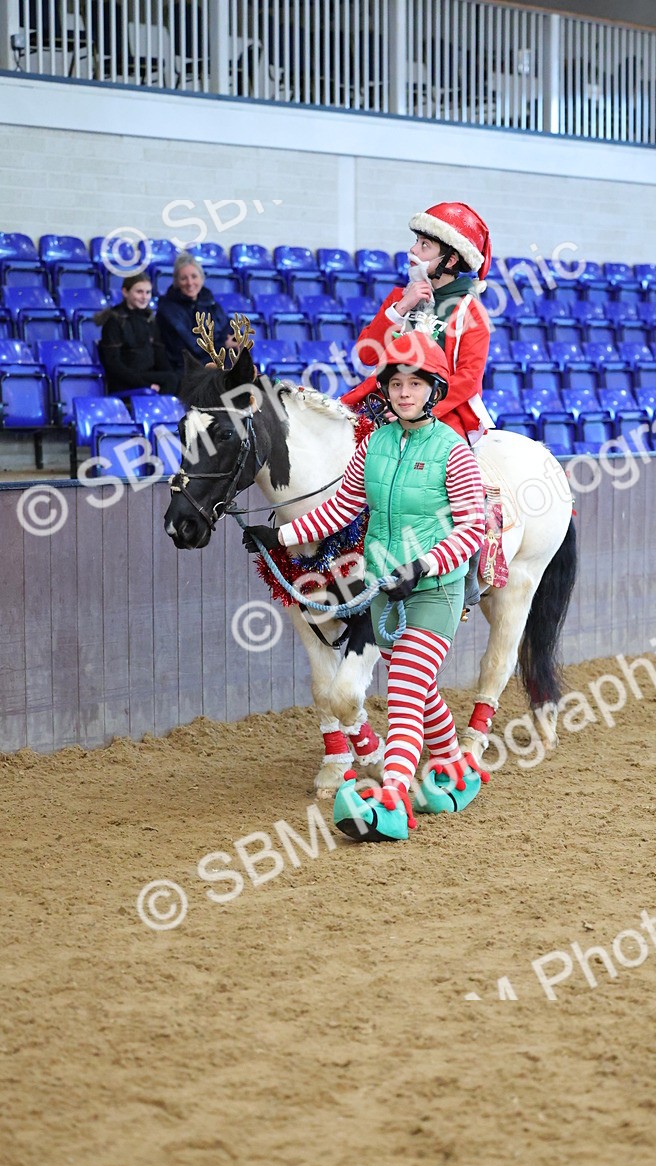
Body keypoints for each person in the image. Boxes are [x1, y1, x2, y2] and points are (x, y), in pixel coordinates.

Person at [242, 332, 488, 843]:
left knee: (401, 690)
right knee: (415, 683)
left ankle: (393, 794)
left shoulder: (453, 451)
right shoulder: (373, 444)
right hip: (383, 584)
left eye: (414, 384)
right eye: (396, 383)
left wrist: (422, 566)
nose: (403, 392)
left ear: (434, 389)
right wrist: (280, 535)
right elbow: (340, 509)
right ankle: (451, 762)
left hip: (433, 587)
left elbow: (470, 526)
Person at [342, 201, 495, 445]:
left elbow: (468, 379)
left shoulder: (472, 312)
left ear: (451, 259)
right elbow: (367, 355)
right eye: (416, 241)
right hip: (380, 403)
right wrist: (401, 308)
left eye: (425, 245)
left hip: (439, 412)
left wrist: (417, 411)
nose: (412, 250)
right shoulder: (399, 298)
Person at [96, 273, 181, 396]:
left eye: (148, 292)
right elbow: (114, 365)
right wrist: (144, 385)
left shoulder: (149, 319)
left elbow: (160, 356)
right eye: (139, 292)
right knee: (171, 379)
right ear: (125, 292)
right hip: (123, 380)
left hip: (146, 375)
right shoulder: (114, 321)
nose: (144, 297)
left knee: (178, 377)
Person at [156, 252, 232, 373]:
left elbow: (228, 328)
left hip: (215, 362)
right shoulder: (168, 308)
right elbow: (193, 347)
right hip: (186, 368)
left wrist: (236, 340)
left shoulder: (210, 303)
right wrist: (224, 344)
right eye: (183, 278)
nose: (190, 283)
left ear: (202, 279)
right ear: (176, 282)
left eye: (194, 276)